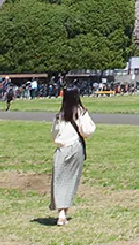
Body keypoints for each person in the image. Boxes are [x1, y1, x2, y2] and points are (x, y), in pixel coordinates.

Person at [51, 90, 97, 226]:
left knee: (59, 180)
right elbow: (87, 131)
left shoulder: (60, 115)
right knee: (71, 179)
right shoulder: (81, 112)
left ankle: (61, 212)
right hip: (76, 147)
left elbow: (53, 134)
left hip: (62, 148)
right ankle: (63, 212)